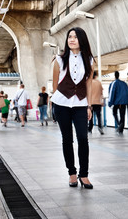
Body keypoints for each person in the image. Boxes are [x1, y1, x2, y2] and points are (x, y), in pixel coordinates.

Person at [51, 27, 94, 189]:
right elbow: (55, 84)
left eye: (75, 37)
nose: (71, 39)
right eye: (70, 37)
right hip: (62, 104)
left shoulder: (90, 60)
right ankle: (72, 173)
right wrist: (56, 102)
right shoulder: (59, 60)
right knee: (67, 139)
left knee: (83, 138)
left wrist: (89, 106)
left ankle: (84, 175)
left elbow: (88, 84)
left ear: (81, 40)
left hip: (81, 104)